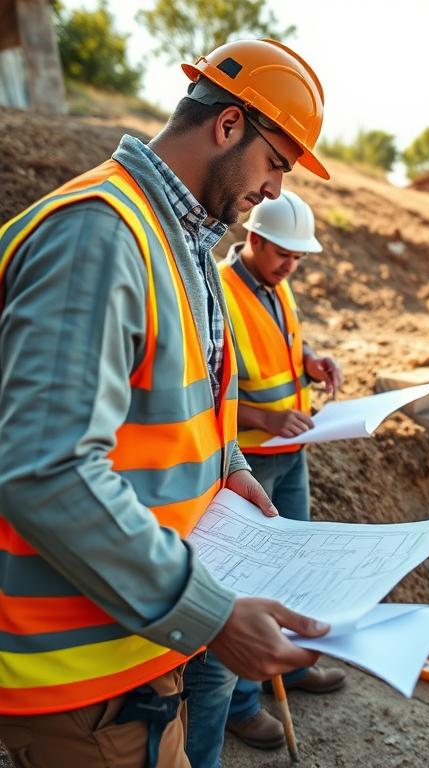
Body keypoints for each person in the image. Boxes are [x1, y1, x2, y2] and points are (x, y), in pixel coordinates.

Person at [0, 38, 332, 767]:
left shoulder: (183, 244)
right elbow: (44, 469)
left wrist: (229, 463)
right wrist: (210, 616)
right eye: (276, 162)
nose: (276, 191)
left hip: (136, 653)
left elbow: (168, 406)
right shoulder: (100, 235)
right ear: (228, 125)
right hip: (80, 686)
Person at [183, 190, 345, 759]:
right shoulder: (218, 292)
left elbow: (278, 347)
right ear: (254, 239)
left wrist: (311, 359)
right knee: (251, 583)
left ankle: (287, 668)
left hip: (291, 452)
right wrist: (265, 417)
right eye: (284, 255)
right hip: (247, 462)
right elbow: (211, 385)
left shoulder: (276, 285)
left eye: (299, 258)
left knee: (287, 571)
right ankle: (243, 705)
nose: (291, 266)